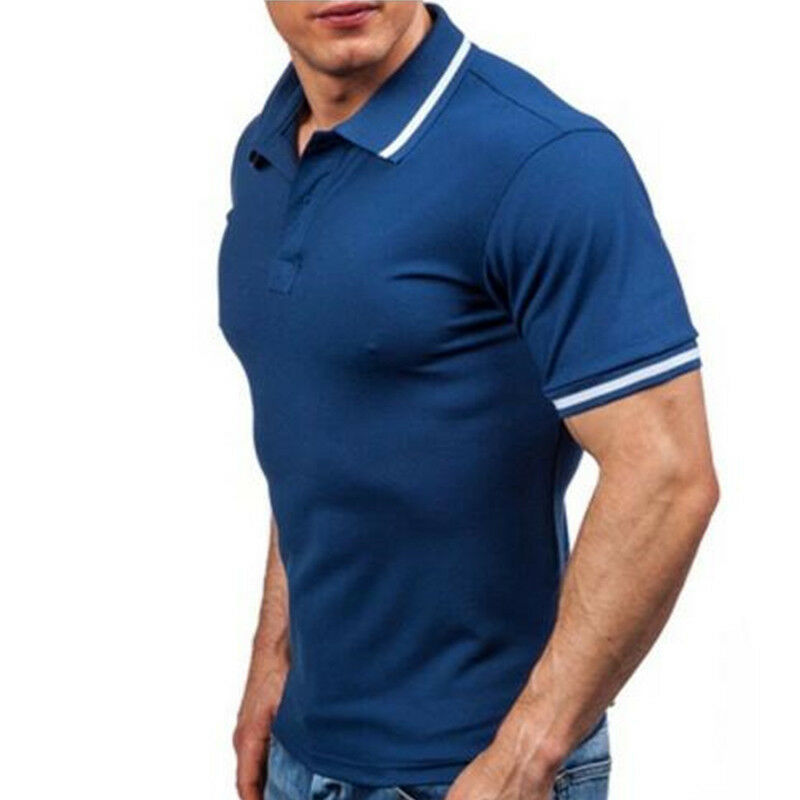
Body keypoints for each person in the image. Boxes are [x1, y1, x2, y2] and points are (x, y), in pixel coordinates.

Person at [219, 4, 719, 800]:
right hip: (302, 752)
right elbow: (324, 428)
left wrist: (522, 760)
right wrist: (270, 660)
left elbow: (667, 475)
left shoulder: (546, 160)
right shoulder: (268, 148)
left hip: (471, 770)